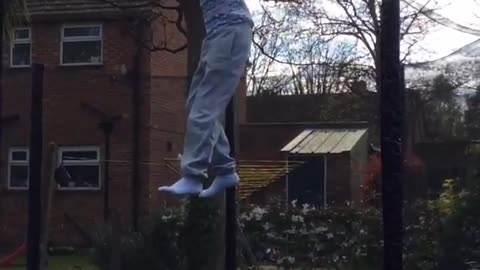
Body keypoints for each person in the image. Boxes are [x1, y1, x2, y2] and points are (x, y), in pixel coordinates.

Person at [158, 0, 253, 197]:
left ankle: (193, 176)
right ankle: (225, 170)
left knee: (204, 108)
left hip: (231, 30)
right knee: (195, 104)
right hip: (215, 36)